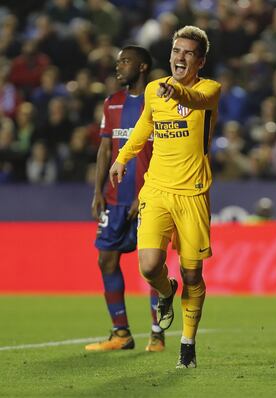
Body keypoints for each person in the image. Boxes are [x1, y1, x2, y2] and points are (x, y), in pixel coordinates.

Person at [109, 26, 221, 368]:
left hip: (193, 193)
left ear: (199, 61)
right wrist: (122, 158)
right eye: (177, 52)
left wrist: (178, 94)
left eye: (188, 53)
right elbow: (144, 126)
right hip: (156, 189)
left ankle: (187, 343)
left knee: (192, 275)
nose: (180, 58)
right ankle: (166, 291)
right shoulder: (155, 90)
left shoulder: (209, 89)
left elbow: (195, 100)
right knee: (149, 266)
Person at [85, 46, 165, 353]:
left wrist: (146, 192)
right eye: (118, 62)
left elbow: (163, 153)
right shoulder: (112, 103)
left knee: (151, 267)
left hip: (149, 199)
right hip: (115, 199)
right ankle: (121, 333)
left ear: (142, 66)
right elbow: (106, 150)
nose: (119, 67)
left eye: (125, 61)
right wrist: (97, 191)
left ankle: (157, 333)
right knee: (106, 260)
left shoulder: (158, 102)